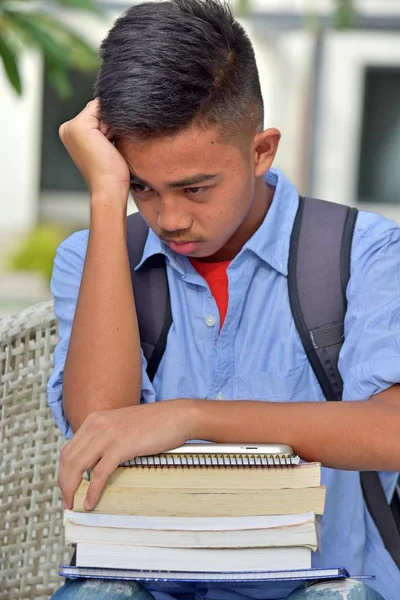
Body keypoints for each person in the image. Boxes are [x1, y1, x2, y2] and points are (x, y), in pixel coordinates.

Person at [47, 1, 400, 599]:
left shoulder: (365, 252)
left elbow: (389, 431)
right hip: (146, 585)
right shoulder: (94, 256)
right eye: (142, 186)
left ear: (262, 151)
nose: (170, 218)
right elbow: (100, 421)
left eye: (196, 188)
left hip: (328, 585)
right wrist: (108, 199)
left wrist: (189, 416)